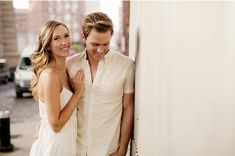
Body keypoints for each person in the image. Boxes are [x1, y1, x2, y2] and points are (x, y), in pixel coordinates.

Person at [66, 12, 135, 156]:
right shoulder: (70, 65)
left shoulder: (126, 65)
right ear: (83, 37)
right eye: (95, 44)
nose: (101, 50)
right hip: (74, 149)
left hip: (108, 151)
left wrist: (122, 150)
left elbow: (128, 108)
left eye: (106, 44)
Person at [30, 20, 84, 156]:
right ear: (48, 45)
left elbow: (49, 113)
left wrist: (42, 122)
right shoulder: (50, 75)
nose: (64, 42)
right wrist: (77, 93)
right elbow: (55, 125)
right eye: (56, 38)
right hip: (53, 148)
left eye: (66, 36)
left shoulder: (65, 69)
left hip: (66, 145)